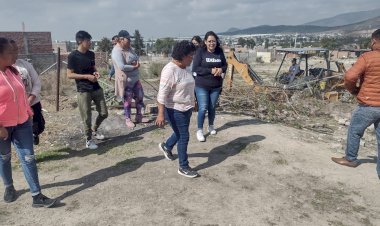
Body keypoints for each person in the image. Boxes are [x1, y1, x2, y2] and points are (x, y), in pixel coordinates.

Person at [0, 37, 56, 207]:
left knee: (29, 158)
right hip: (3, 126)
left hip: (23, 122)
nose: (15, 55)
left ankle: (36, 196)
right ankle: (9, 187)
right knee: (4, 157)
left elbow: (22, 94)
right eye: (11, 52)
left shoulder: (14, 71)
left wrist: (28, 111)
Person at [331, 29, 380, 180]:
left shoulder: (367, 57)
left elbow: (350, 76)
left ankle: (351, 158)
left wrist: (354, 90)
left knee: (355, 131)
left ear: (373, 41)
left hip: (369, 104)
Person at [155, 40, 198, 178]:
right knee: (184, 136)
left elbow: (189, 86)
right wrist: (160, 115)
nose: (192, 58)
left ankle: (167, 146)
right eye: (191, 55)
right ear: (183, 55)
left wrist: (194, 101)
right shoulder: (170, 70)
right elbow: (162, 95)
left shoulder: (185, 67)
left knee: (180, 132)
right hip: (174, 109)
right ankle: (183, 166)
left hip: (187, 107)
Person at [67, 30, 108, 149]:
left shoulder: (91, 54)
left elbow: (92, 67)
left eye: (90, 40)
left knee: (104, 113)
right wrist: (86, 76)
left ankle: (95, 129)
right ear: (80, 41)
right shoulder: (73, 56)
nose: (90, 42)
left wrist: (96, 72)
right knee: (86, 116)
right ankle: (89, 140)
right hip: (83, 90)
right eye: (88, 40)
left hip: (96, 87)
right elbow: (69, 74)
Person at [192, 31, 227, 142]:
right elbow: (196, 69)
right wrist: (211, 70)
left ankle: (211, 125)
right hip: (202, 85)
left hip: (216, 85)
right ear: (205, 42)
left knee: (212, 107)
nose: (212, 43)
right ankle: (199, 130)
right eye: (210, 41)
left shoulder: (219, 51)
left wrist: (221, 69)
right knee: (203, 108)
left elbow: (225, 65)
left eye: (214, 41)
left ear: (216, 42)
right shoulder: (200, 52)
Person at [10, 40, 44, 145]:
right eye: (13, 50)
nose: (16, 52)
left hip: (32, 103)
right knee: (21, 131)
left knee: (39, 125)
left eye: (17, 49)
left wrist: (30, 99)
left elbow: (37, 83)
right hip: (14, 107)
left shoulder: (25, 65)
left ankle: (34, 134)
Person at [112, 29, 148, 129]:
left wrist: (136, 62)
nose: (130, 41)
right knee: (127, 101)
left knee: (140, 96)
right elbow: (122, 66)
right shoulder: (117, 51)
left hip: (135, 79)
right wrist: (134, 67)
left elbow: (135, 57)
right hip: (126, 81)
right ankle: (128, 119)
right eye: (128, 39)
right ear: (121, 39)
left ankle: (139, 116)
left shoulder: (129, 48)